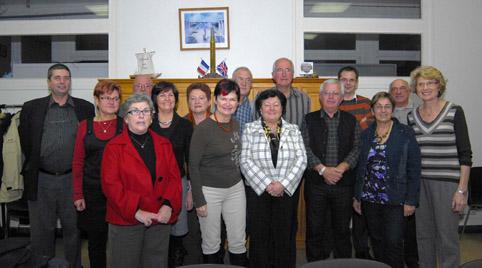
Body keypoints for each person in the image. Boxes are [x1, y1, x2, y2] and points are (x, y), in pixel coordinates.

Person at [19, 63, 95, 267]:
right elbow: (26, 142)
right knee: (42, 233)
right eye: (57, 78)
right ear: (48, 82)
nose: (62, 82)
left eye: (66, 78)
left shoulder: (85, 108)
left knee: (73, 230)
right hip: (41, 180)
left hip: (73, 181)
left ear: (70, 81)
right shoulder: (31, 108)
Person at [101, 93, 182, 268]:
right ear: (126, 119)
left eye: (146, 111)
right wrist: (136, 211)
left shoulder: (164, 144)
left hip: (159, 219)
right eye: (135, 111)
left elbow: (175, 179)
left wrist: (168, 205)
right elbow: (111, 186)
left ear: (151, 118)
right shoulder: (114, 147)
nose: (141, 115)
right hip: (127, 220)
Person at [407, 66, 472, 268]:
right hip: (421, 185)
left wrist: (461, 190)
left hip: (447, 185)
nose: (425, 87)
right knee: (424, 238)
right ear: (415, 88)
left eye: (430, 83)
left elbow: (466, 155)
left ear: (439, 85)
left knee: (447, 239)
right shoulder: (412, 116)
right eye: (421, 84)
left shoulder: (454, 111)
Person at [353, 92, 421, 268]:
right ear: (372, 110)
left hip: (395, 198)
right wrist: (357, 196)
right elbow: (361, 167)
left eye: (387, 106)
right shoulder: (366, 134)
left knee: (393, 242)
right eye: (379, 106)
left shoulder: (405, 133)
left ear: (393, 109)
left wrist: (411, 200)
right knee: (376, 241)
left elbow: (414, 169)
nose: (383, 110)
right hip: (369, 198)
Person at [240, 89, 307, 268]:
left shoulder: (293, 130)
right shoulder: (249, 129)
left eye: (276, 104)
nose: (272, 108)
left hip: (286, 192)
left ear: (282, 108)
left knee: (285, 234)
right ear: (260, 109)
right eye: (267, 104)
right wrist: (267, 185)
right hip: (258, 192)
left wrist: (282, 184)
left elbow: (302, 160)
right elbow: (245, 160)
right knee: (259, 234)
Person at [189, 79, 247, 266]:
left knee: (238, 240)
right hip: (209, 192)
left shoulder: (236, 125)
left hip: (235, 189)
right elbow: (193, 166)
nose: (228, 104)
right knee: (211, 241)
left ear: (238, 102)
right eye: (223, 99)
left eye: (232, 99)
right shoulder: (203, 129)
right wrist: (199, 199)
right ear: (214, 100)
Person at [301, 79, 361, 261]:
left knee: (342, 229)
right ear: (320, 96)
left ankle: (342, 263)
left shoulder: (352, 121)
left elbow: (357, 148)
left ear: (341, 97)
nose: (331, 97)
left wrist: (340, 169)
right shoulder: (308, 120)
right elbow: (304, 148)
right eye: (327, 93)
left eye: (335, 93)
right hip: (316, 184)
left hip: (343, 184)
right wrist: (323, 170)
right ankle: (315, 264)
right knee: (315, 228)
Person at [72, 80, 124, 268]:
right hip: (92, 193)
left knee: (121, 243)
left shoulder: (124, 125)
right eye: (106, 98)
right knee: (96, 244)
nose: (112, 102)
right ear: (96, 100)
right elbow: (78, 162)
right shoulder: (84, 127)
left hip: (119, 194)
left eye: (116, 98)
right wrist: (78, 194)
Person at [150, 81, 194, 267]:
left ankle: (175, 262)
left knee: (177, 230)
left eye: (170, 95)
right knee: (156, 229)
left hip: (178, 183)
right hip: (152, 185)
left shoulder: (185, 125)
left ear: (176, 99)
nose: (166, 99)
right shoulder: (147, 123)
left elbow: (190, 159)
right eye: (162, 95)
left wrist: (190, 189)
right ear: (155, 99)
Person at [337, 65, 374, 259]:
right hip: (341, 169)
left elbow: (371, 134)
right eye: (344, 79)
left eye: (352, 80)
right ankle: (341, 254)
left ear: (357, 82)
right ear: (339, 81)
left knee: (360, 213)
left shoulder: (368, 104)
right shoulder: (334, 103)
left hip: (362, 168)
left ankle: (362, 253)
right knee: (342, 214)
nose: (348, 83)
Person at [389, 78, 419, 268]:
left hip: (411, 176)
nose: (398, 92)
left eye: (402, 89)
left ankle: (412, 262)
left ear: (409, 91)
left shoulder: (418, 112)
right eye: (394, 89)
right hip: (390, 181)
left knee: (411, 228)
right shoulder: (384, 114)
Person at [183, 82, 212, 265]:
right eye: (192, 98)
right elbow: (182, 160)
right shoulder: (183, 125)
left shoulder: (219, 122)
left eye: (201, 98)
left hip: (215, 185)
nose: (197, 102)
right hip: (190, 186)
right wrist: (190, 187)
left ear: (209, 101)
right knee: (192, 230)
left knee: (213, 233)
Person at [256, 58, 311, 128]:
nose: (284, 74)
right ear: (273, 75)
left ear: (293, 74)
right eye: (280, 70)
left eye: (288, 70)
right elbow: (257, 124)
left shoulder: (304, 99)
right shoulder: (262, 96)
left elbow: (306, 128)